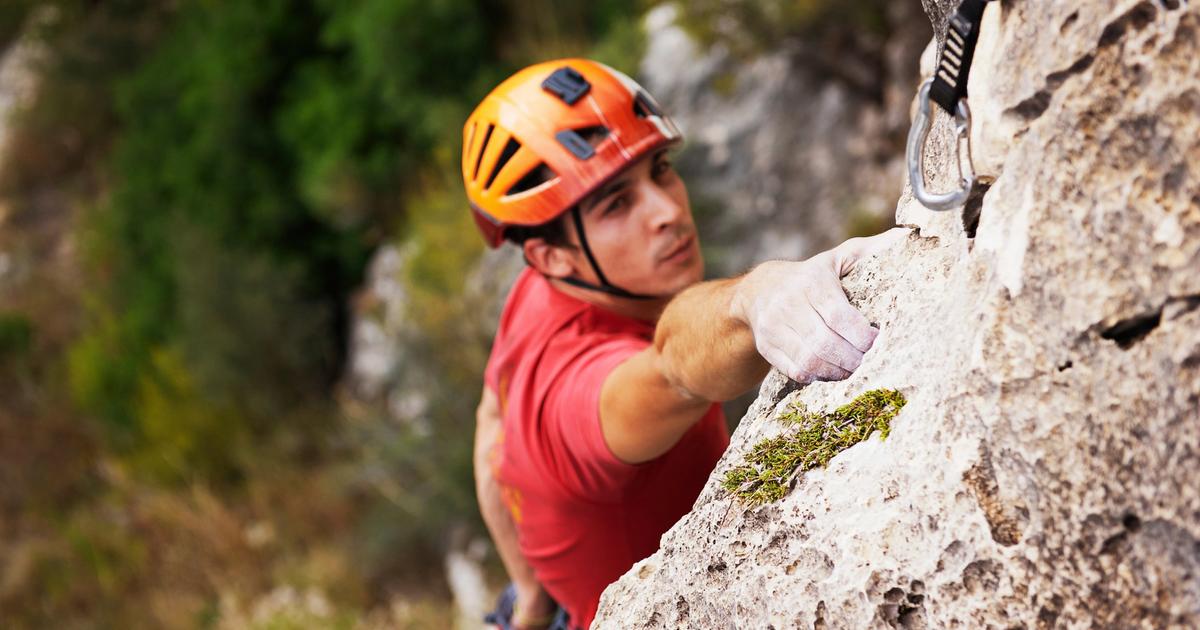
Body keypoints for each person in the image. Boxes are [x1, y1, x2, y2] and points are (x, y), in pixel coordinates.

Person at [466, 59, 906, 629]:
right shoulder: (581, 404)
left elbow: (490, 431)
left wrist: (529, 598)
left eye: (661, 170)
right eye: (616, 205)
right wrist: (751, 300)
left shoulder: (534, 292)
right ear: (553, 256)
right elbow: (672, 367)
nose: (668, 211)